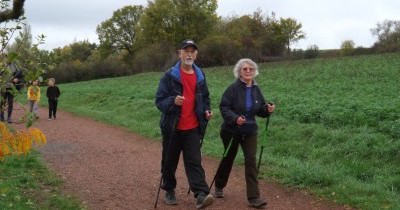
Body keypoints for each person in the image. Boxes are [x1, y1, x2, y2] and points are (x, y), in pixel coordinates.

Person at [155, 39, 214, 209]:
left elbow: (206, 98)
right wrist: (173, 101)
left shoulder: (200, 75)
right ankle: (169, 189)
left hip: (193, 128)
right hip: (172, 127)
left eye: (192, 51)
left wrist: (206, 111)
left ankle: (201, 194)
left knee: (194, 162)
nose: (189, 54)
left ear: (196, 54)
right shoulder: (169, 76)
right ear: (179, 53)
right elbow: (159, 101)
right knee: (169, 161)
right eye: (185, 51)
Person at [213, 58, 275, 209]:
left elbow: (260, 109)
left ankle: (254, 197)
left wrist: (267, 110)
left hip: (249, 130)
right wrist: (235, 119)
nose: (248, 71)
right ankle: (219, 186)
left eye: (251, 69)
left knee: (250, 160)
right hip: (231, 130)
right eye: (245, 69)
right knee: (229, 157)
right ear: (239, 72)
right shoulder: (232, 89)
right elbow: (224, 107)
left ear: (254, 72)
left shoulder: (256, 90)